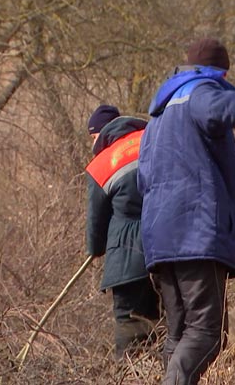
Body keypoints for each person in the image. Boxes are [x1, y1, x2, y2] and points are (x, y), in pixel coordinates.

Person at [137, 38, 235, 384]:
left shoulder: (157, 118)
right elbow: (220, 109)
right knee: (207, 333)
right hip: (194, 234)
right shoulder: (199, 93)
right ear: (222, 71)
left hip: (160, 236)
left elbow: (152, 181)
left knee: (179, 333)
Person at [85, 104, 161, 360]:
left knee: (130, 332)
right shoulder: (156, 138)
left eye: (93, 137)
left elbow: (96, 225)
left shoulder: (101, 164)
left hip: (127, 262)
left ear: (100, 134)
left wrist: (95, 249)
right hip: (170, 248)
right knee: (167, 326)